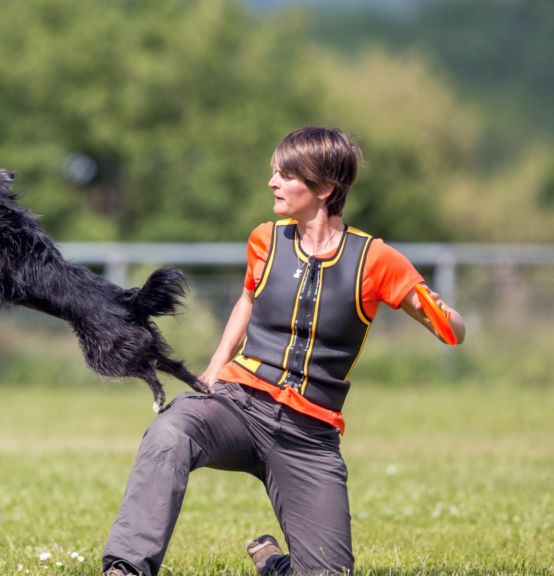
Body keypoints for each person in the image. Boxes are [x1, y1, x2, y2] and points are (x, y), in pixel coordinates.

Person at [101, 126, 466, 576]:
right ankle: (126, 569)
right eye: (274, 172)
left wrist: (443, 315)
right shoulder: (265, 240)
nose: (272, 182)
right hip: (238, 405)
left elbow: (452, 329)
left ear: (324, 188)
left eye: (285, 174)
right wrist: (213, 369)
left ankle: (274, 564)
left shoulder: (375, 260)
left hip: (309, 436)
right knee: (170, 431)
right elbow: (249, 300)